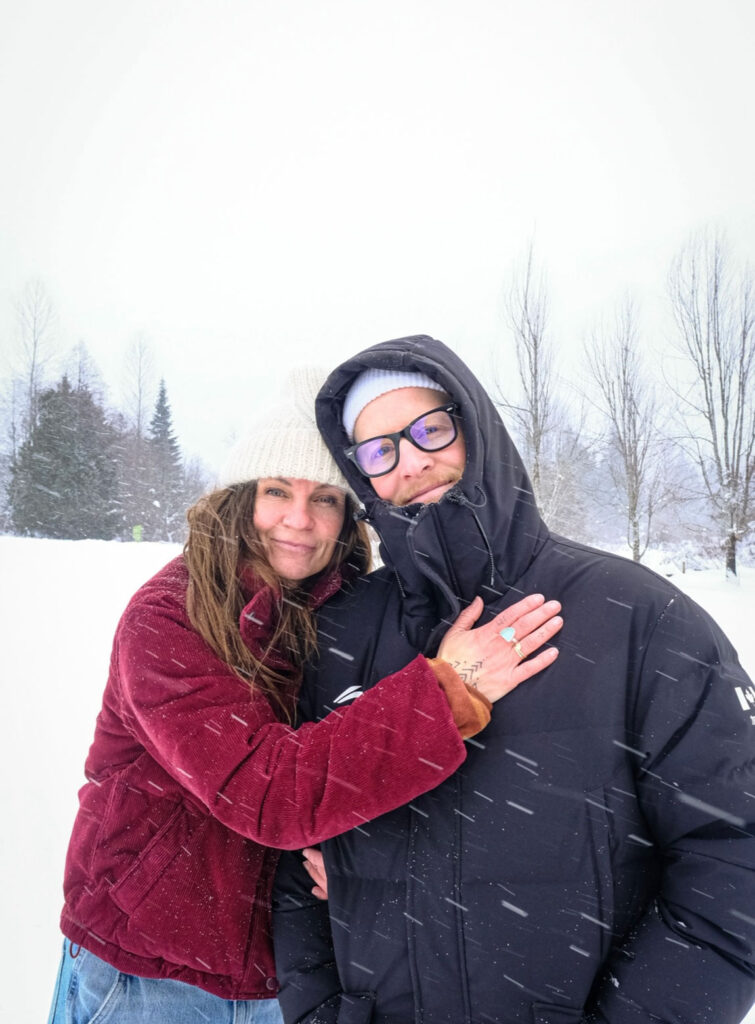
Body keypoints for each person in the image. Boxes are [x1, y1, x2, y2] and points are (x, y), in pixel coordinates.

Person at [46, 367, 562, 1024]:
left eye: (324, 498)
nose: (298, 519)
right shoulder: (170, 617)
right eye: (276, 491)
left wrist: (352, 863)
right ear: (238, 500)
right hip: (147, 971)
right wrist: (445, 692)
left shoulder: (340, 616)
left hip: (282, 973)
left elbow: (354, 772)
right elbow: (268, 790)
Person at [272, 338, 755, 1024]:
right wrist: (323, 1010)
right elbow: (290, 848)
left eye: (428, 429)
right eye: (379, 451)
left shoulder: (639, 615)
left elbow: (732, 854)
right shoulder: (339, 634)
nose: (411, 460)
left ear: (475, 425)